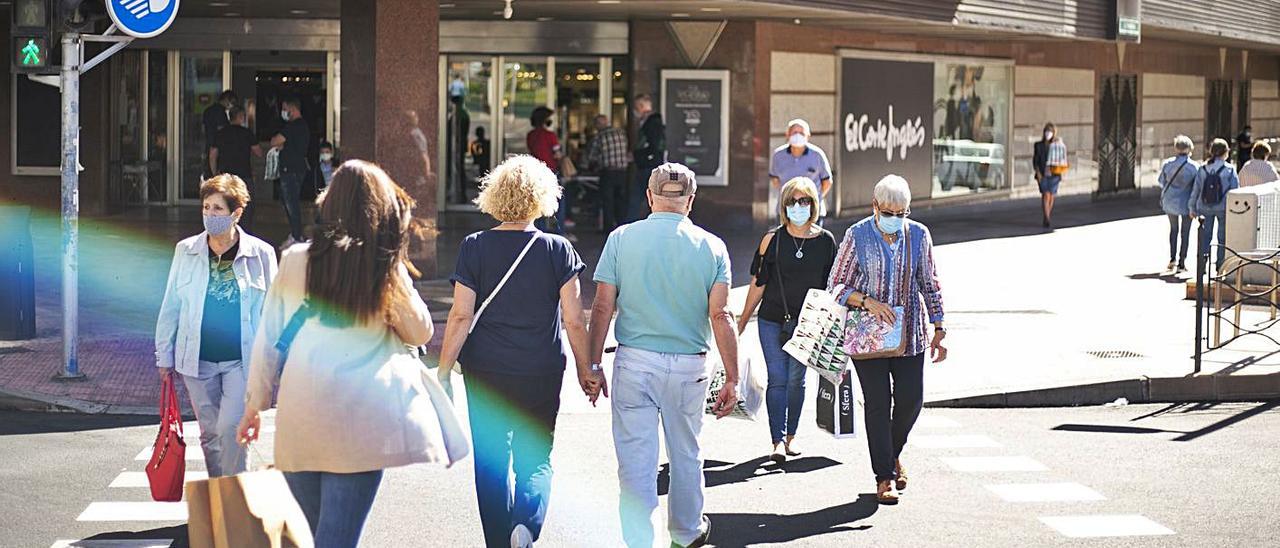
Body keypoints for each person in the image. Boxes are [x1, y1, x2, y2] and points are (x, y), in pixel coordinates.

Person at [238, 161, 441, 547]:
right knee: (337, 538)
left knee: (312, 534)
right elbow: (420, 331)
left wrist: (255, 405)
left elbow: (270, 338)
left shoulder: (296, 259)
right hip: (361, 419)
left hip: (302, 413)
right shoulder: (381, 264)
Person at [436, 155, 599, 548]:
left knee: (492, 461)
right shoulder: (558, 250)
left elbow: (460, 316)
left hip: (486, 369)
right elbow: (575, 321)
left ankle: (497, 541)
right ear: (542, 198)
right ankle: (525, 524)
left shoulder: (474, 246)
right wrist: (586, 368)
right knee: (536, 456)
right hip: (541, 369)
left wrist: (442, 370)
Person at [589, 163, 739, 548]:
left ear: (650, 196)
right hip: (690, 364)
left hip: (635, 362)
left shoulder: (622, 238)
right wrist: (733, 377)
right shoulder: (712, 246)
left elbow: (603, 306)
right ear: (690, 201)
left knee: (636, 461)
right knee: (686, 453)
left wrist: (592, 364)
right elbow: (720, 315)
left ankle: (639, 539)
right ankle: (686, 533)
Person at [827, 174, 947, 505]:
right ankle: (884, 476)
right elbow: (835, 286)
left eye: (902, 212)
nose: (895, 218)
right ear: (875, 206)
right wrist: (868, 302)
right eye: (889, 211)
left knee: (911, 400)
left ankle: (892, 452)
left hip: (910, 335)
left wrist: (940, 326)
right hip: (869, 338)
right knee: (879, 405)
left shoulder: (919, 236)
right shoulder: (857, 235)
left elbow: (929, 282)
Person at [155, 174, 277, 478]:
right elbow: (171, 305)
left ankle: (235, 497)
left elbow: (274, 313)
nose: (210, 215)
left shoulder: (260, 254)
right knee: (209, 433)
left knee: (231, 428)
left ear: (236, 213)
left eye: (218, 209)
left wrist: (273, 364)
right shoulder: (187, 250)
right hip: (196, 360)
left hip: (241, 359)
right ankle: (218, 496)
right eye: (206, 208)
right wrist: (164, 355)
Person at [737, 177, 837, 462]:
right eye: (792, 201)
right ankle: (777, 441)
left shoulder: (825, 242)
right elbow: (759, 282)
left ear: (814, 205)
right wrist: (743, 319)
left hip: (808, 324)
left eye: (804, 201)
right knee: (778, 378)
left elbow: (833, 286)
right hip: (771, 320)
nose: (798, 206)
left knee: (796, 379)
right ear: (784, 206)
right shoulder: (772, 240)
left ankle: (791, 436)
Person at [210, 107, 264, 232]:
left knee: (225, 204)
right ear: (240, 117)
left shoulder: (221, 133)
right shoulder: (247, 133)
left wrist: (214, 173)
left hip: (225, 176)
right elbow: (259, 152)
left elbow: (212, 154)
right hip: (244, 175)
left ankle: (225, 230)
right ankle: (244, 232)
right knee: (246, 206)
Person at [1190, 138, 1241, 269]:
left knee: (1205, 237)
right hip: (1223, 208)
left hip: (1204, 207)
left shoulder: (1203, 168)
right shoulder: (1229, 169)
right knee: (1222, 238)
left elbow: (1196, 189)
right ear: (1226, 152)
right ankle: (1220, 265)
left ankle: (1202, 265)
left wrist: (1192, 208)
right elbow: (1235, 191)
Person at [769, 119, 834, 223]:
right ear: (787, 134)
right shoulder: (778, 155)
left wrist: (815, 198)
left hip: (812, 212)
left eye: (801, 133)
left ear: (808, 136)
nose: (798, 136)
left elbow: (827, 181)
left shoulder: (817, 155)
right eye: (794, 132)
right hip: (785, 211)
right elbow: (775, 179)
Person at [271, 97, 310, 245]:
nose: (284, 112)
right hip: (298, 168)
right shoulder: (303, 126)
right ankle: (296, 233)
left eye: (285, 108)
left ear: (292, 109)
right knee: (290, 201)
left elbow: (275, 141)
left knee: (290, 203)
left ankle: (296, 235)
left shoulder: (293, 126)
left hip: (290, 169)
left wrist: (279, 144)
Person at [1158, 136, 1199, 273]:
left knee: (1173, 230)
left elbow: (1161, 182)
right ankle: (1182, 262)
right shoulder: (1194, 167)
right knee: (1185, 232)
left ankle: (1172, 259)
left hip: (1170, 202)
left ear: (1176, 148)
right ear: (1189, 148)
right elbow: (1196, 187)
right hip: (1187, 203)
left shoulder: (1167, 164)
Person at [527, 106, 568, 235]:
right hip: (550, 172)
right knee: (558, 203)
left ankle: (539, 231)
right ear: (545, 120)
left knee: (538, 203)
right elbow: (557, 154)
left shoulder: (531, 135)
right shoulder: (550, 135)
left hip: (535, 172)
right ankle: (559, 231)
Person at [586, 114, 630, 232]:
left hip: (608, 172)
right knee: (620, 200)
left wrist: (589, 166)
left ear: (598, 125)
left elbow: (592, 157)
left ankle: (608, 228)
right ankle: (622, 226)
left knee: (607, 201)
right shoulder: (621, 133)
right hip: (622, 171)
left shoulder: (599, 137)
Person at [629, 93, 665, 222]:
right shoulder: (652, 122)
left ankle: (630, 223)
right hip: (648, 164)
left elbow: (653, 145)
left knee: (637, 198)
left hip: (648, 165)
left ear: (641, 106)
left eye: (636, 106)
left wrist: (639, 156)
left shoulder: (652, 123)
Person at [1032, 122, 1067, 228]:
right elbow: (1035, 160)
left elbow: (1062, 157)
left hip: (1054, 173)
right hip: (1043, 173)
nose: (1048, 133)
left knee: (1051, 195)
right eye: (1047, 131)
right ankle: (1046, 217)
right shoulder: (1038, 145)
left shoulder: (1056, 145)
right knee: (1045, 194)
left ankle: (1047, 214)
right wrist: (1038, 172)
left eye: (1050, 131)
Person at [203, 90, 237, 177]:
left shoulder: (208, 110)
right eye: (232, 102)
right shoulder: (220, 112)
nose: (232, 105)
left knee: (209, 175)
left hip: (209, 144)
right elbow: (222, 131)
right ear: (226, 99)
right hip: (219, 149)